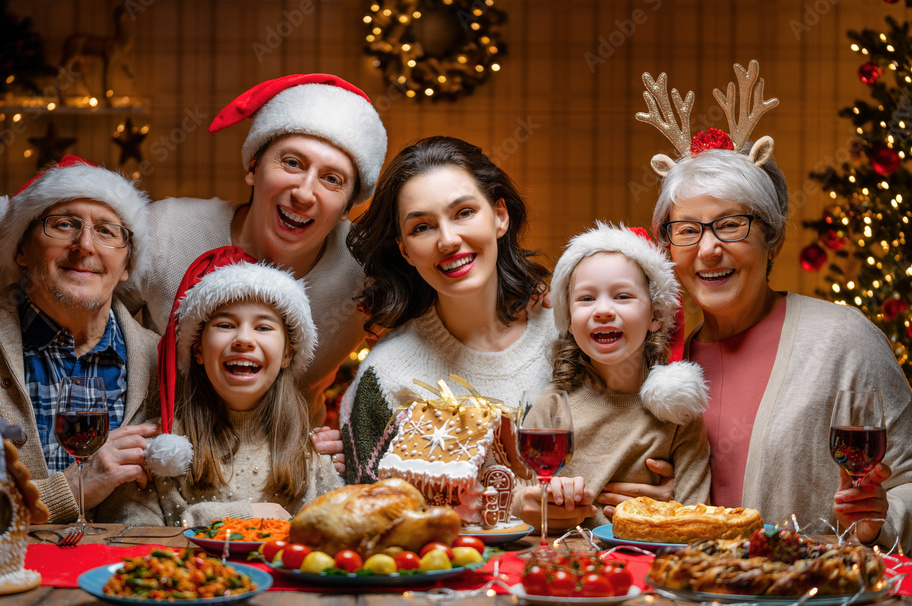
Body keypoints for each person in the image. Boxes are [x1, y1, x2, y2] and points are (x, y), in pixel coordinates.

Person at [0, 74, 388, 440]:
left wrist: (349, 441)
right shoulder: (165, 231)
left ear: (349, 206)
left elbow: (420, 353)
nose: (304, 192)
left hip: (289, 459)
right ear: (252, 167)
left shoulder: (367, 270)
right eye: (291, 162)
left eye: (332, 179)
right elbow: (73, 298)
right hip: (163, 464)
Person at [640, 61, 912, 552]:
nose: (708, 250)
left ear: (773, 239)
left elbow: (907, 480)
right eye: (688, 230)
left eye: (731, 224)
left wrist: (880, 520)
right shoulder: (653, 355)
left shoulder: (842, 340)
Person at [0, 155, 160, 523]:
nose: (85, 245)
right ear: (21, 250)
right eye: (63, 224)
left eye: (107, 231)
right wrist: (74, 487)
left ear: (126, 265)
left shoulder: (164, 363)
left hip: (122, 577)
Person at [339, 136, 557, 485]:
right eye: (421, 227)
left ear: (500, 216)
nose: (448, 240)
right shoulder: (387, 374)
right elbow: (372, 511)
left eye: (464, 213)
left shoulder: (570, 333)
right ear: (405, 250)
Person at [97, 247, 341, 526]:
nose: (244, 339)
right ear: (198, 349)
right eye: (225, 325)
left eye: (263, 328)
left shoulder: (313, 458)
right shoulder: (161, 453)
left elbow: (333, 537)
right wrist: (240, 517)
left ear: (287, 354)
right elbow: (127, 533)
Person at [511, 223, 711, 532]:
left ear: (655, 316)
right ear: (569, 319)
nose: (603, 310)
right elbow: (517, 496)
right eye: (586, 299)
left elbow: (697, 521)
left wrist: (665, 514)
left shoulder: (678, 415)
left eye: (622, 296)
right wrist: (534, 500)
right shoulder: (555, 405)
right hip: (565, 565)